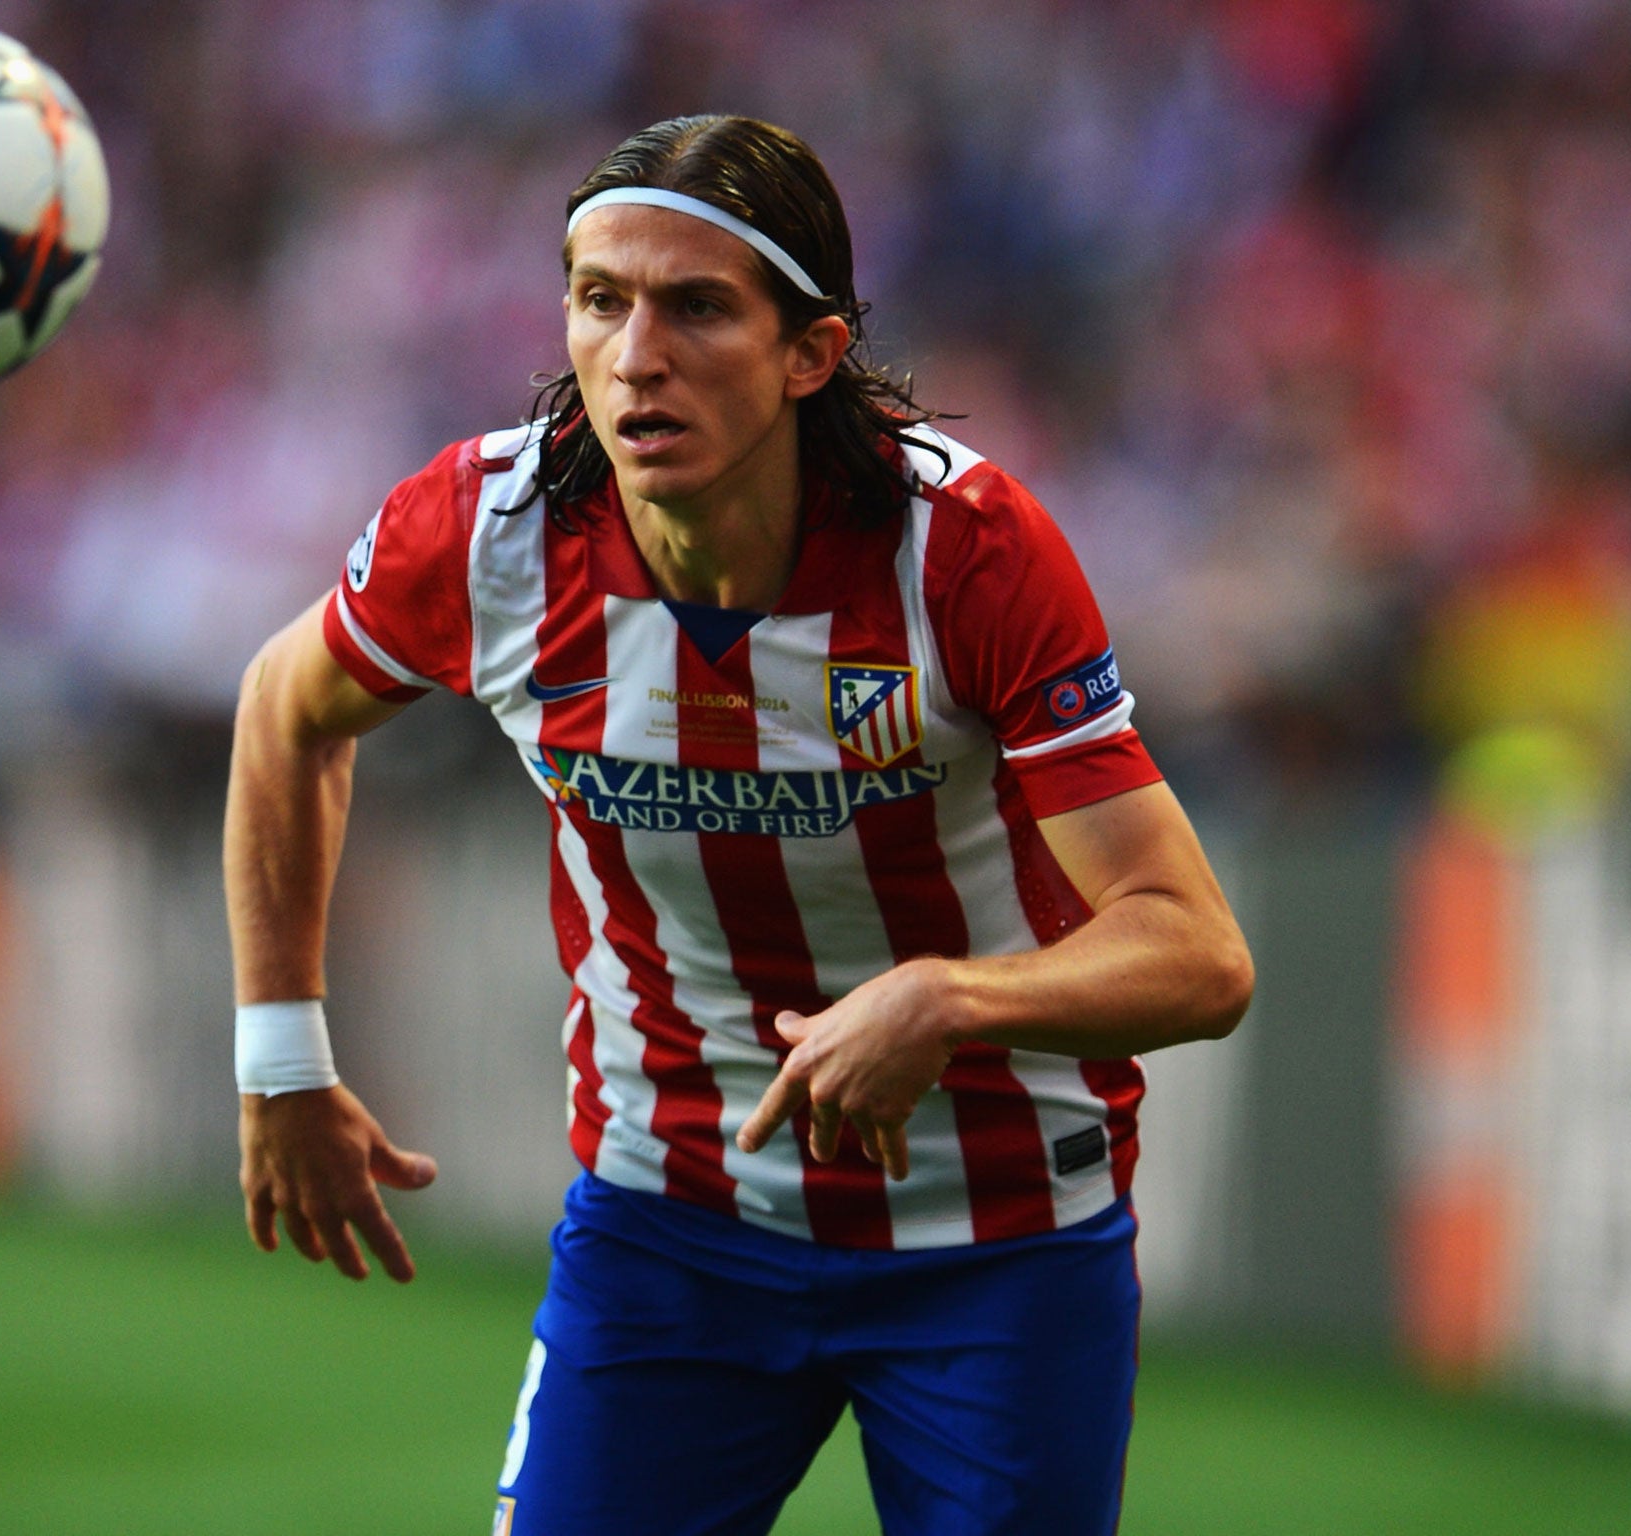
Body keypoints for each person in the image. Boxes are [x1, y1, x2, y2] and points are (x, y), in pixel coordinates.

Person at [226, 114, 1253, 1536]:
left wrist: (947, 999)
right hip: (672, 1220)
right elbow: (285, 712)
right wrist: (281, 1060)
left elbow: (1199, 957)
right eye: (602, 302)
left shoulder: (959, 552)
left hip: (1001, 1237)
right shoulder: (490, 537)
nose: (637, 354)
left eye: (697, 307)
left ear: (810, 352)